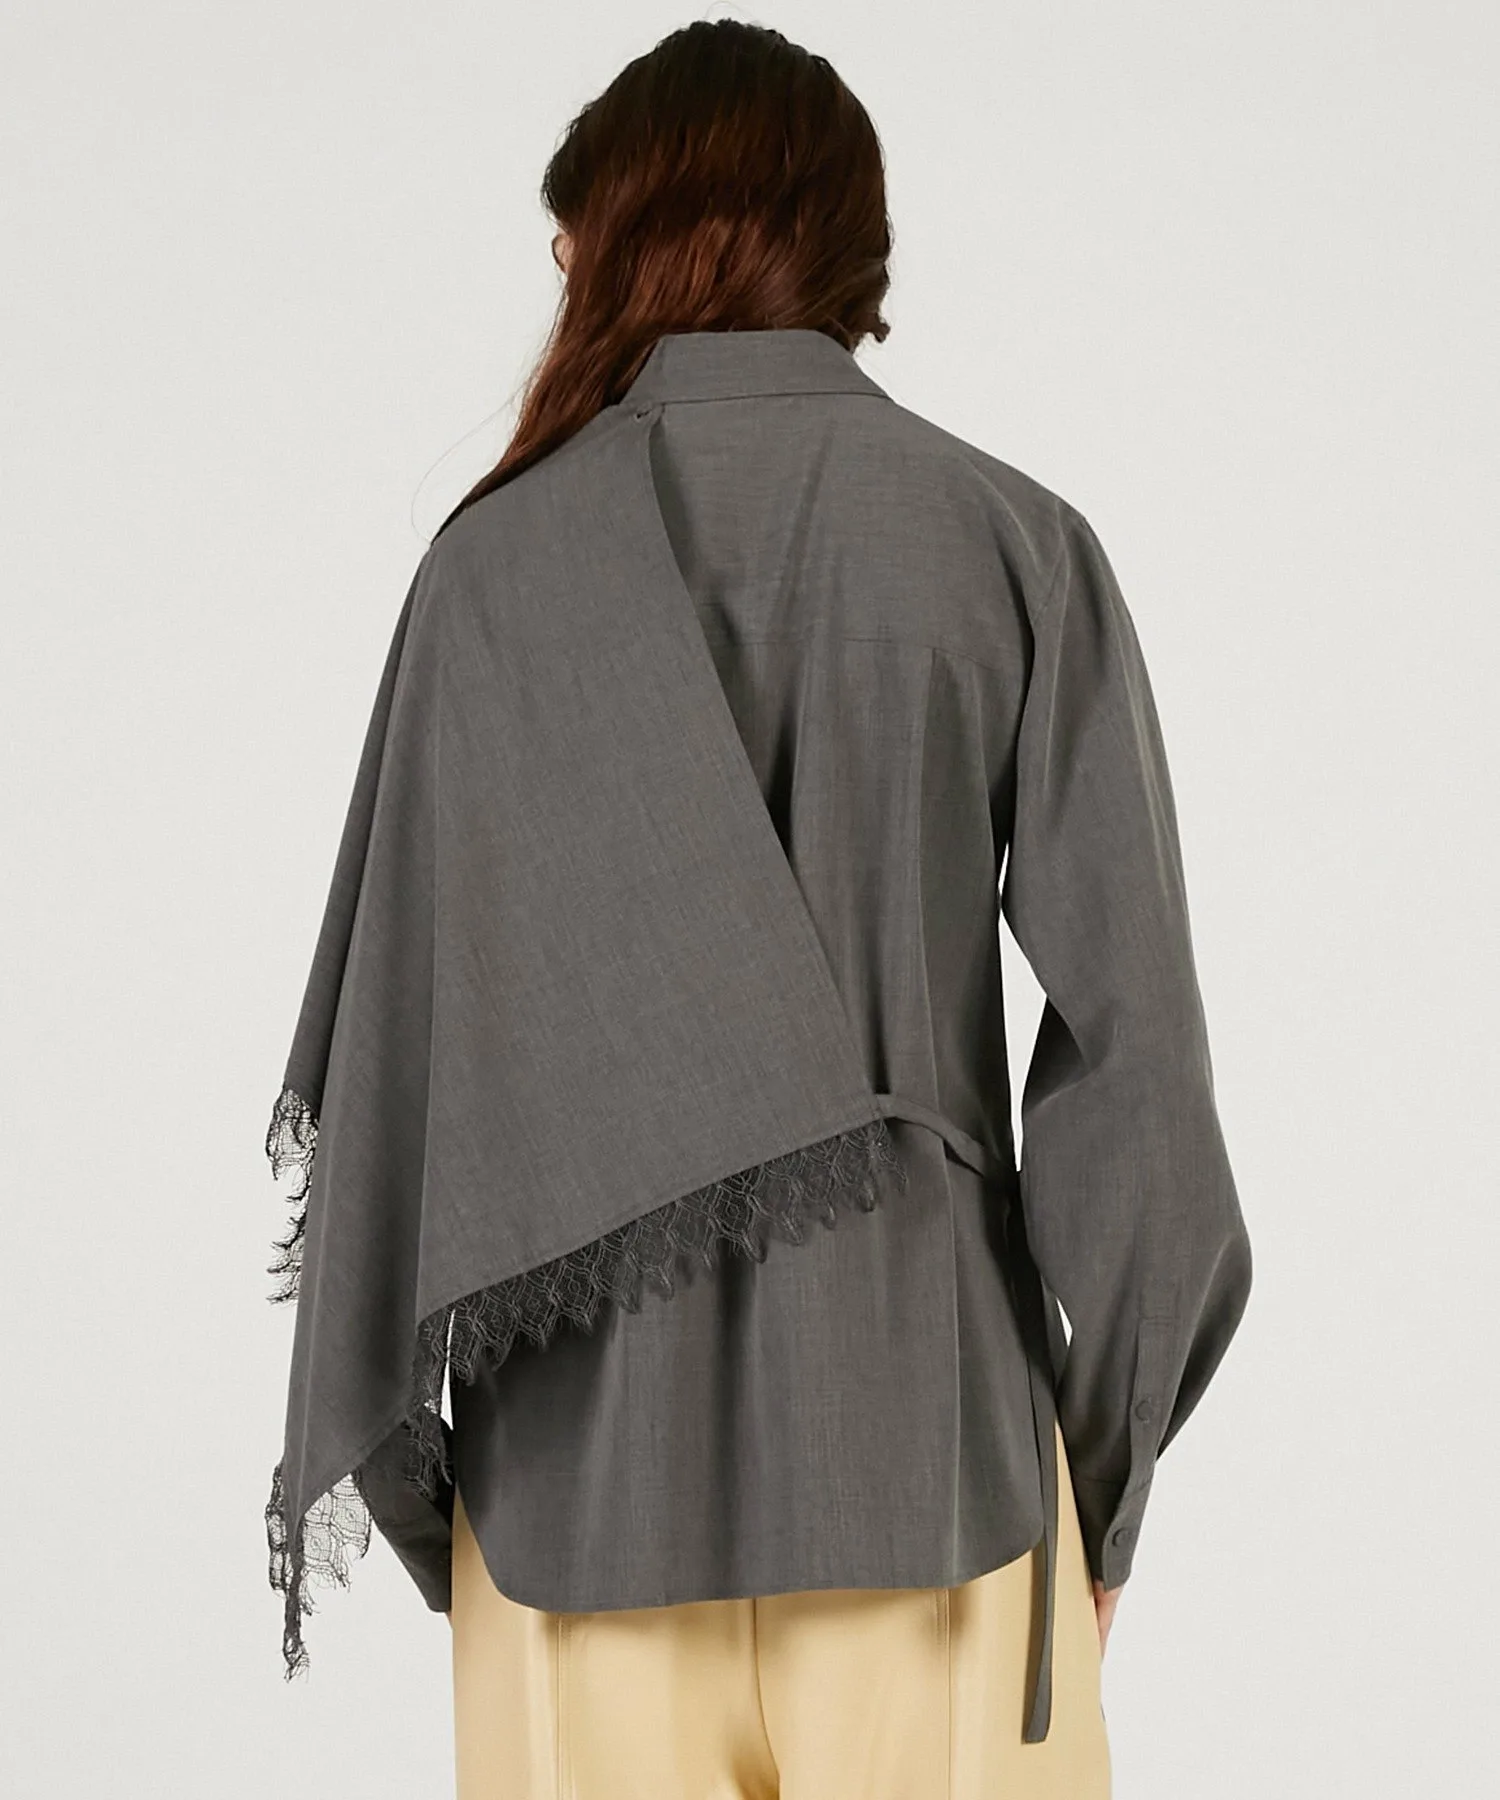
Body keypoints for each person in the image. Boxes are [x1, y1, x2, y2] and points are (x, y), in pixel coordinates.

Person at [261, 20, 1252, 1799]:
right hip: (937, 1470)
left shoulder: (487, 576)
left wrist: (442, 1513)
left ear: (627, 241)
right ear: (852, 247)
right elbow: (1142, 1078)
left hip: (573, 1503)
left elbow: (401, 1079)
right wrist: (1098, 1488)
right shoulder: (1010, 542)